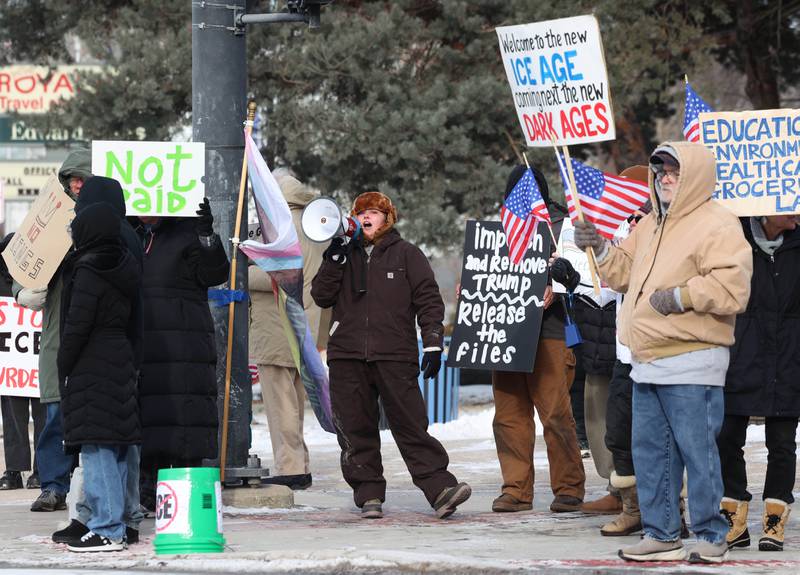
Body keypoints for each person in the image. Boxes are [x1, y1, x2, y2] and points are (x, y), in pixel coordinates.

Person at [575, 142, 752, 564]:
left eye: (673, 170)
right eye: (659, 171)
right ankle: (662, 532)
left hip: (694, 359)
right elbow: (620, 273)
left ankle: (712, 534)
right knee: (651, 454)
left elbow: (734, 288)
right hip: (646, 360)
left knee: (698, 453)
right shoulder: (650, 223)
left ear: (692, 175)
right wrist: (598, 247)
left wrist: (681, 296)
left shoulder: (718, 223)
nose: (665, 177)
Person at [311, 191, 471, 519]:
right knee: (355, 429)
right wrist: (335, 257)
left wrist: (432, 343)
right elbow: (321, 295)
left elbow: (428, 300)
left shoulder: (407, 254)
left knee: (411, 425)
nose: (367, 217)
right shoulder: (341, 254)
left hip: (394, 353)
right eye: (361, 212)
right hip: (347, 355)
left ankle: (440, 489)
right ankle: (368, 494)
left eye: (374, 212)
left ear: (388, 218)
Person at [51, 175, 145, 546]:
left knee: (97, 445)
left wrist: (64, 364)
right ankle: (103, 518)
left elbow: (77, 324)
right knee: (114, 443)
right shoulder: (123, 260)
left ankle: (107, 527)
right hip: (119, 358)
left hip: (93, 363)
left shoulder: (90, 268)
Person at [490, 165, 585, 514]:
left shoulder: (564, 228)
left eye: (529, 190)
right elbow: (486, 274)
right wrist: (473, 291)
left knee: (557, 415)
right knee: (509, 416)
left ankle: (569, 487)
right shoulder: (497, 230)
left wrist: (556, 288)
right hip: (505, 334)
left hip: (551, 333)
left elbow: (583, 277)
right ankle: (515, 489)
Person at [133, 197, 230, 509]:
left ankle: (184, 498)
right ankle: (146, 491)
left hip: (184, 347)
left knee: (183, 420)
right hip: (142, 345)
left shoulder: (188, 232)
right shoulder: (127, 234)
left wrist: (207, 237)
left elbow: (215, 274)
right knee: (146, 421)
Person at [13, 149, 92, 512]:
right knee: (55, 417)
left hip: (96, 336)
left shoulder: (106, 219)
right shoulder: (46, 220)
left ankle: (91, 487)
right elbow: (18, 264)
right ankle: (53, 486)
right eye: (72, 178)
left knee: (95, 416)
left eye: (83, 178)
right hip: (59, 333)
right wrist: (21, 292)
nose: (77, 184)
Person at [718, 214, 800, 552]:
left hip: (790, 357)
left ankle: (774, 519)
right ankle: (733, 517)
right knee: (726, 439)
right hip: (742, 355)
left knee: (782, 444)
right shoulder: (732, 238)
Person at [249, 171, 328, 490]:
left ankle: (291, 465)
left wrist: (240, 268)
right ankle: (300, 462)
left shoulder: (281, 226)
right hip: (304, 324)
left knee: (280, 403)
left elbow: (277, 274)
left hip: (278, 323)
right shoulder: (311, 224)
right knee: (293, 400)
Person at [0, 233, 46, 492]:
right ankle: (14, 470)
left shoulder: (46, 278)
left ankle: (40, 469)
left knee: (43, 417)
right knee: (13, 418)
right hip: (11, 364)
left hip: (36, 362)